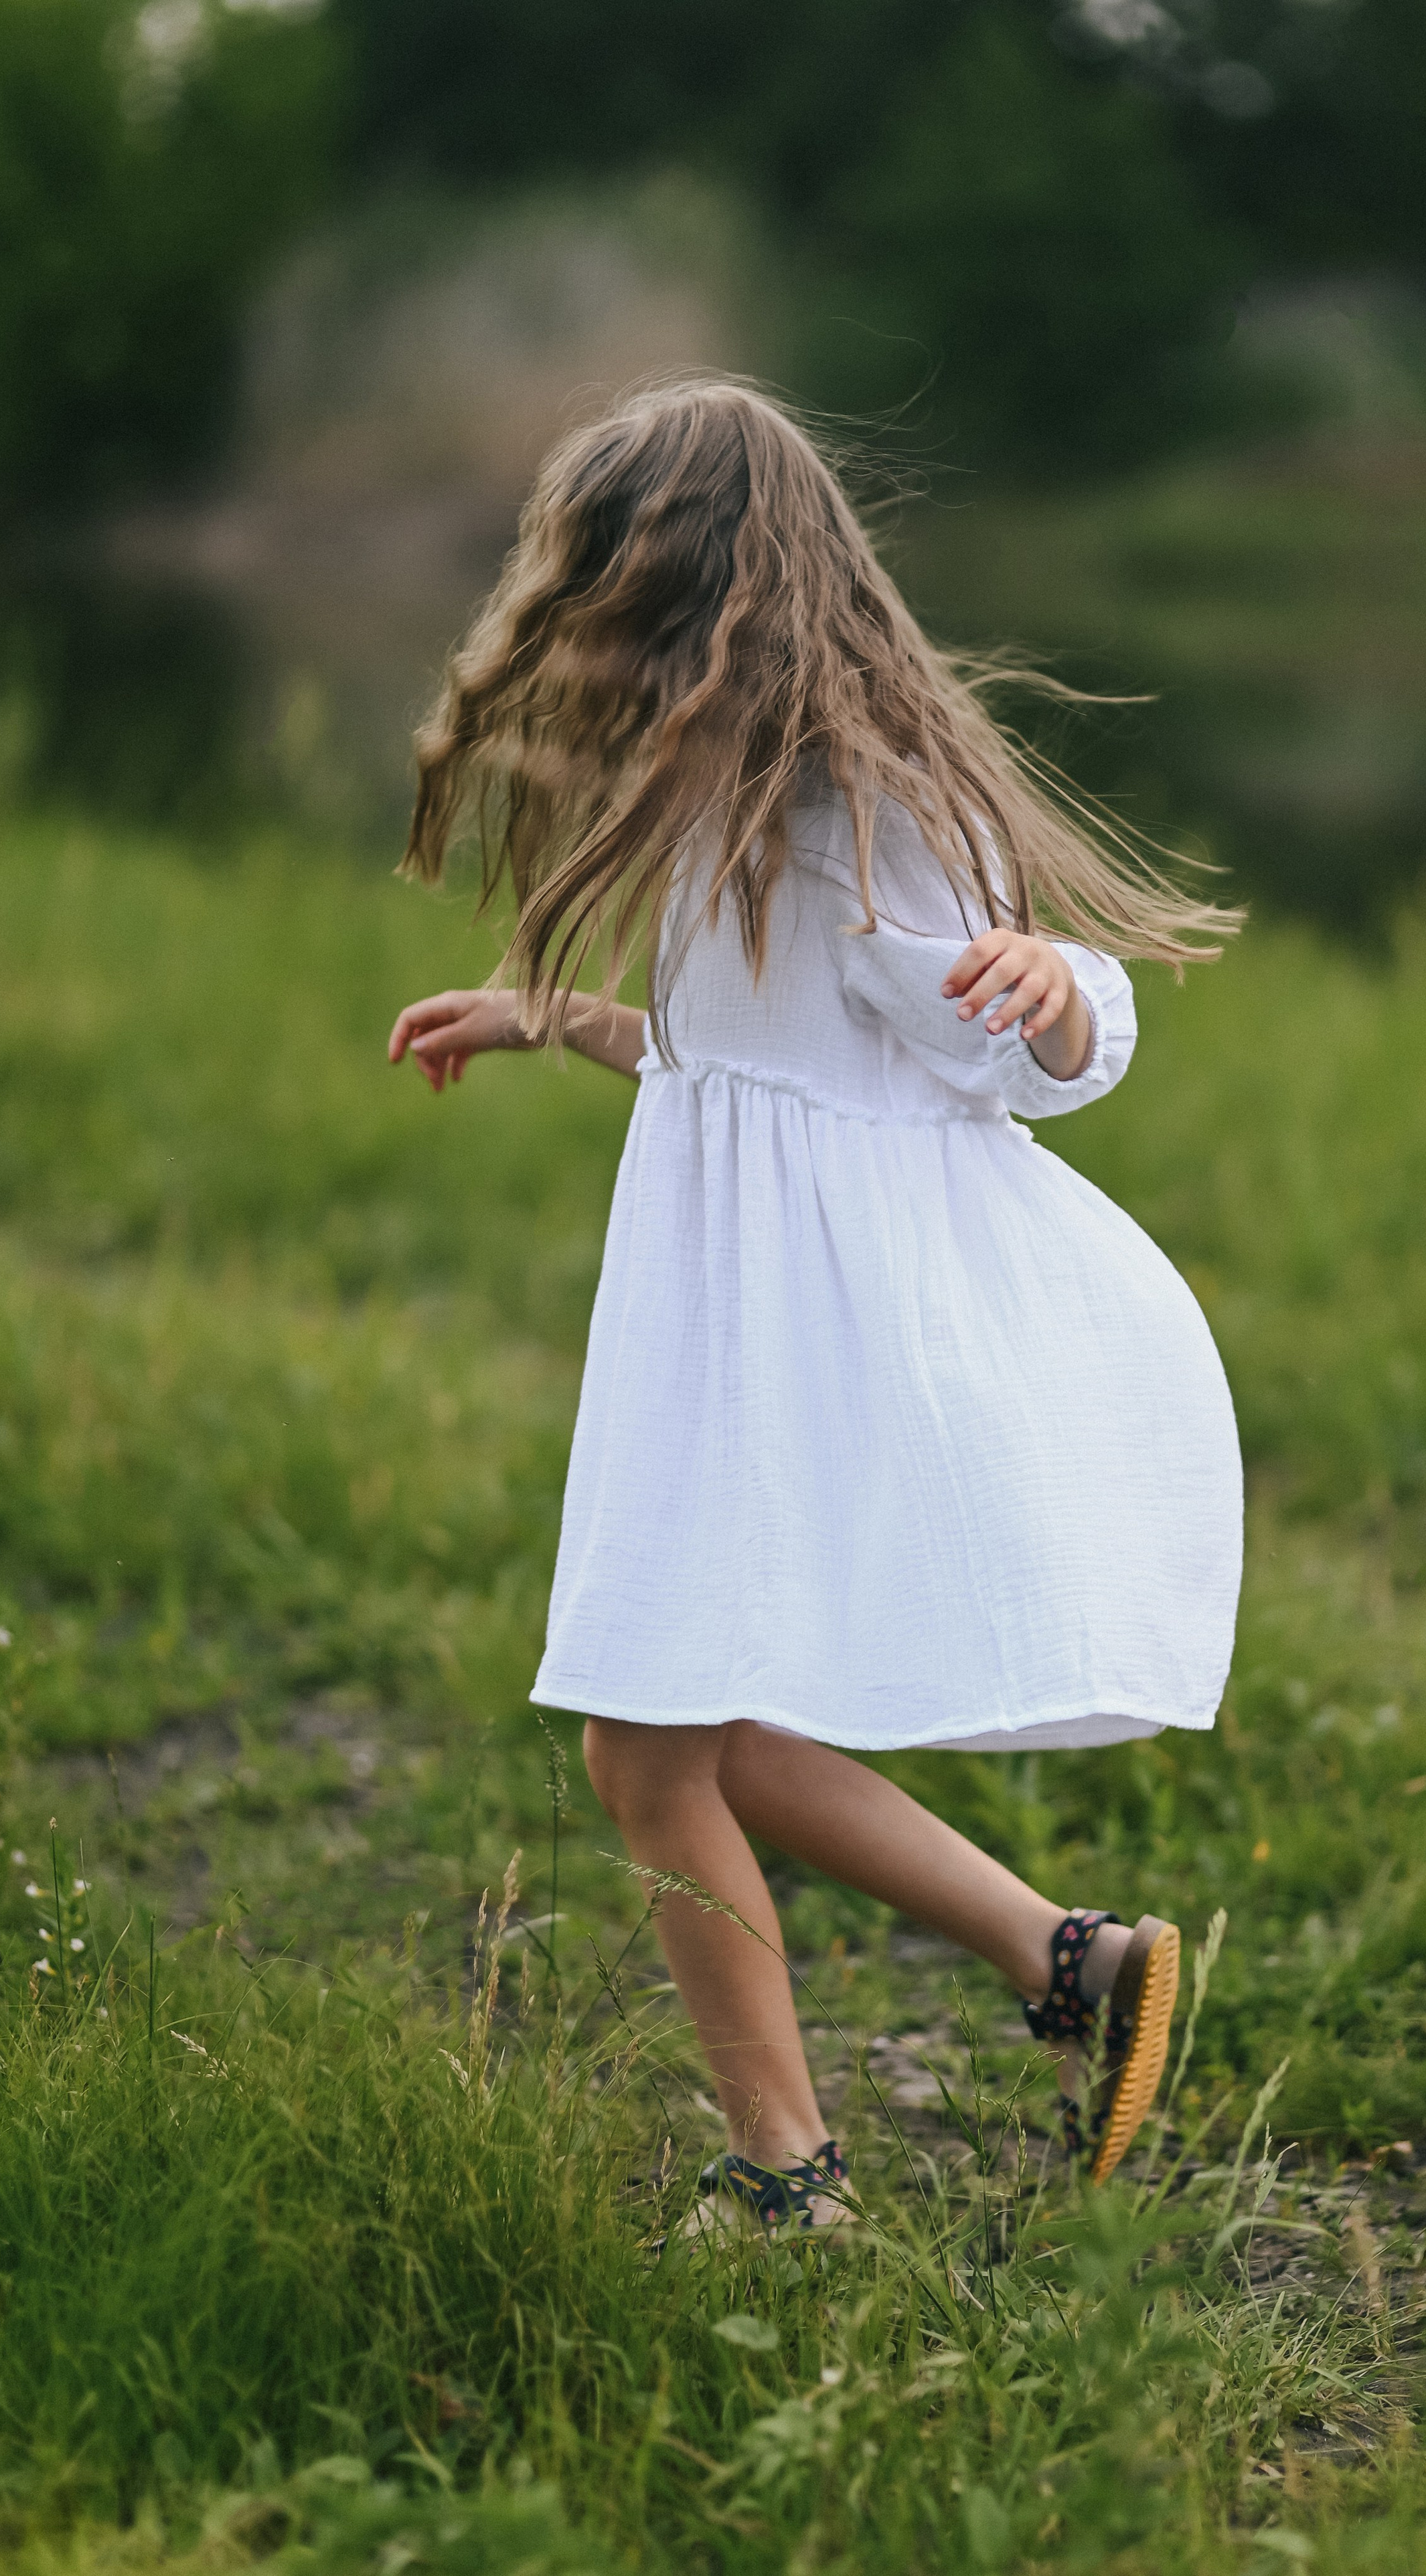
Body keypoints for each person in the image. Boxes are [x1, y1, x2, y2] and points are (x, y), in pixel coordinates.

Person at [388, 380, 1244, 2233]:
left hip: (801, 1338)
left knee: (643, 1743)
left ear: (699, 593)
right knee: (707, 1732)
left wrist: (1063, 989)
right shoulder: (724, 787)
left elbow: (1002, 1057)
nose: (582, 631)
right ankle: (1075, 1960)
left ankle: (790, 2181)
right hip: (735, 1326)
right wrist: (560, 1018)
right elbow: (746, 1068)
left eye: (604, 591)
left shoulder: (853, 801)